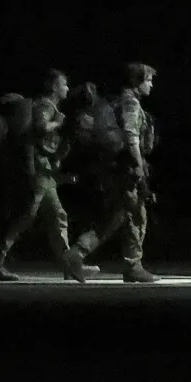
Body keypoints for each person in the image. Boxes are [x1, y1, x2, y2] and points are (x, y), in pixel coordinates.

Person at [0, 70, 89, 281]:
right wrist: (59, 123)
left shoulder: (51, 108)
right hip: (38, 170)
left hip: (45, 170)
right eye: (64, 84)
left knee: (57, 215)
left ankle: (69, 265)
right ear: (53, 86)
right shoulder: (45, 106)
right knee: (25, 216)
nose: (67, 88)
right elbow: (40, 128)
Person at [66, 63, 159, 283]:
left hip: (114, 167)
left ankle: (128, 264)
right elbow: (131, 135)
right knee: (131, 216)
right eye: (148, 80)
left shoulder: (116, 100)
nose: (151, 85)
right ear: (137, 82)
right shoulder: (131, 103)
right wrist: (138, 165)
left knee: (120, 215)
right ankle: (81, 255)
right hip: (125, 168)